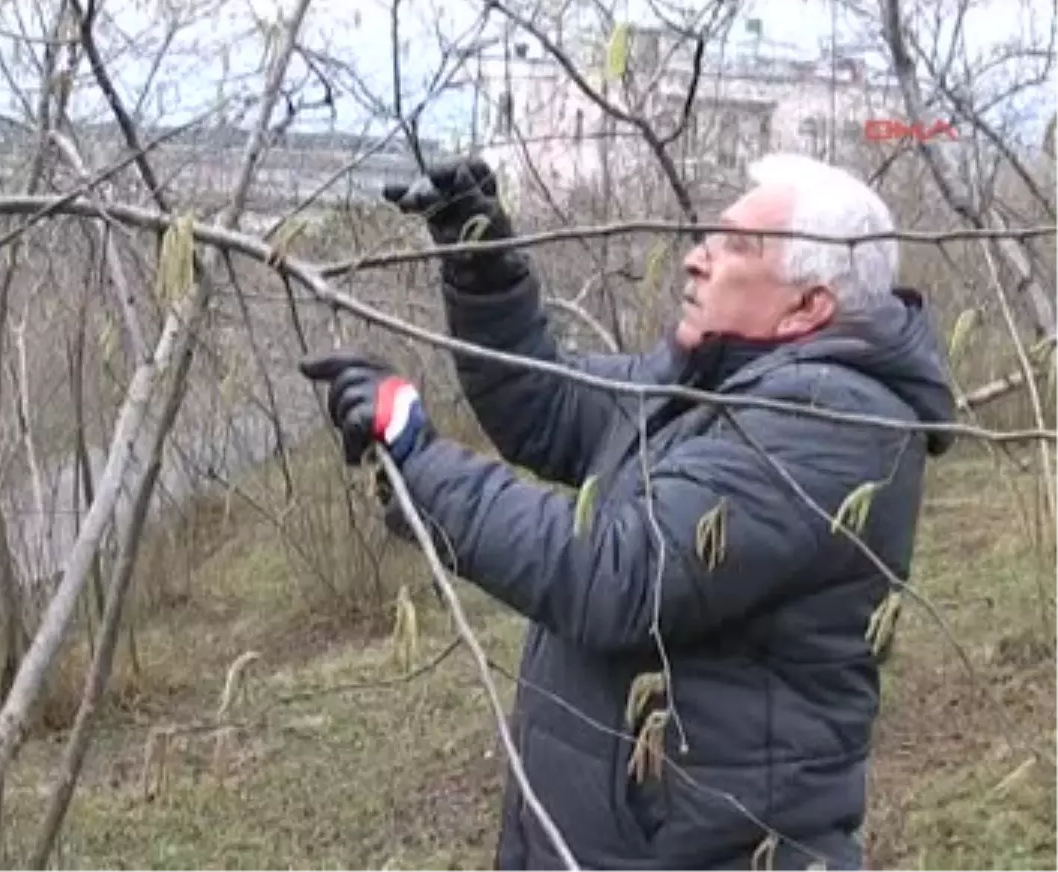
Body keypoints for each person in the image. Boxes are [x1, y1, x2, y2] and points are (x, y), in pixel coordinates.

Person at [299, 153, 956, 870]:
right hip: (612, 834)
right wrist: (480, 259)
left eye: (735, 246)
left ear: (809, 306)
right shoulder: (711, 384)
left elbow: (617, 573)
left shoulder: (832, 420)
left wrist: (418, 457)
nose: (694, 260)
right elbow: (548, 406)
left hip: (700, 850)